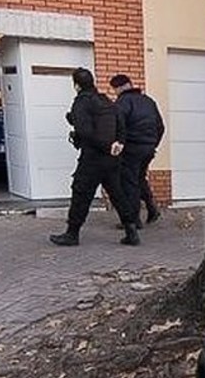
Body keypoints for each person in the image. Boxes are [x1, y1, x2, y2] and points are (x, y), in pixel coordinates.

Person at [49, 68, 140, 247]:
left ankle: (72, 234)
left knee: (81, 194)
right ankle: (131, 231)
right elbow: (120, 123)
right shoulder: (105, 100)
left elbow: (85, 131)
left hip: (93, 157)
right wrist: (118, 143)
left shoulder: (81, 102)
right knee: (117, 194)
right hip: (112, 158)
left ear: (76, 85)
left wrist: (104, 145)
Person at [110, 74, 165, 228]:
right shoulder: (149, 101)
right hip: (148, 149)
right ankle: (152, 209)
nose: (115, 92)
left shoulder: (122, 102)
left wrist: (118, 144)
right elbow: (160, 127)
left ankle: (133, 220)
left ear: (118, 88)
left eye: (114, 89)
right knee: (140, 179)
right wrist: (153, 145)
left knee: (130, 183)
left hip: (131, 149)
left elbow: (118, 126)